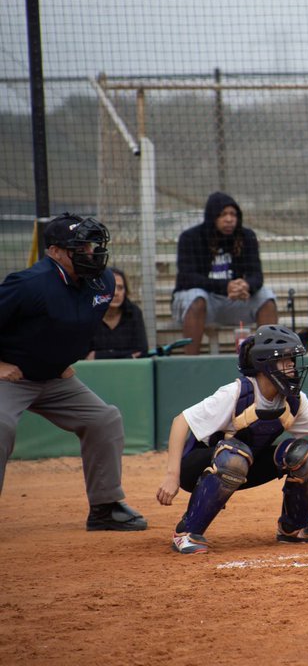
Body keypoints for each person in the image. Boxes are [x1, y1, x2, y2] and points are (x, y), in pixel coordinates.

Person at [0, 213, 147, 531]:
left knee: (103, 419)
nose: (90, 253)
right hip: (11, 375)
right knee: (0, 425)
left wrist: (63, 357)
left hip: (55, 377)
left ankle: (105, 507)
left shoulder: (103, 281)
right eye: (79, 247)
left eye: (91, 246)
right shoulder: (28, 285)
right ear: (54, 252)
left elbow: (78, 325)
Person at [156, 325, 308, 554]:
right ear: (265, 363)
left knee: (304, 455)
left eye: (294, 359)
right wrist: (172, 476)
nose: (293, 366)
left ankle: (293, 528)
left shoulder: (294, 400)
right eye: (286, 360)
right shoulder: (236, 393)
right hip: (201, 467)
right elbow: (181, 421)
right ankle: (186, 532)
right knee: (235, 455)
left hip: (245, 464)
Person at [173, 191, 279, 356]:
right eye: (223, 214)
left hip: (234, 300)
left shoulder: (247, 236)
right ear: (212, 217)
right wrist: (225, 286)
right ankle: (190, 362)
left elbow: (257, 275)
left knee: (266, 298)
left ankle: (269, 362)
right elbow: (186, 278)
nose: (229, 219)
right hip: (204, 303)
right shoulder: (190, 238)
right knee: (196, 297)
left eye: (233, 214)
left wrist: (246, 285)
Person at [89, 267, 149, 358]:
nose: (116, 293)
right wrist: (128, 355)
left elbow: (142, 352)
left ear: (125, 291)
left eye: (120, 288)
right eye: (111, 287)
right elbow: (83, 354)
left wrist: (98, 355)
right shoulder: (88, 313)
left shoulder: (134, 313)